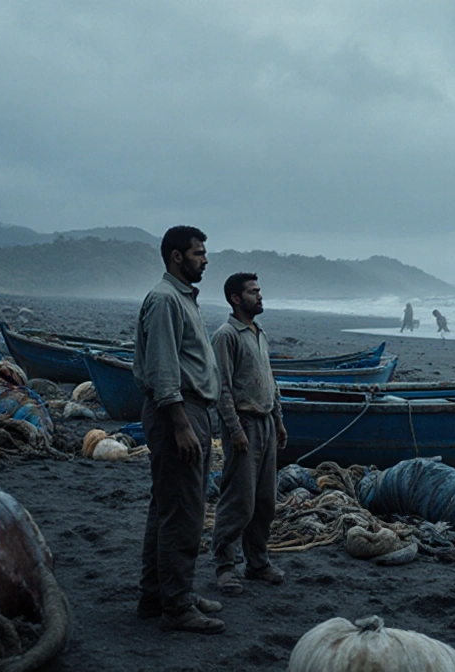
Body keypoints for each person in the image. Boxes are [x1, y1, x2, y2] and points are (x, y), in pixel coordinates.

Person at [133, 226, 225, 634]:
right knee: (184, 513)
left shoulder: (181, 298)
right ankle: (177, 605)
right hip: (178, 410)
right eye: (198, 253)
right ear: (176, 257)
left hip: (189, 409)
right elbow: (163, 368)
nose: (205, 260)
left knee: (167, 505)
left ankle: (158, 595)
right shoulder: (166, 299)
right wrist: (181, 423)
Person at [210, 272, 289, 597]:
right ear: (235, 298)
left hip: (266, 423)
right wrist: (234, 429)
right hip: (243, 423)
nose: (260, 296)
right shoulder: (226, 335)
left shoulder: (259, 333)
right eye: (253, 292)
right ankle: (225, 566)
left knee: (265, 500)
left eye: (259, 291)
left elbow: (270, 381)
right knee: (239, 499)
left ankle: (257, 562)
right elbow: (222, 388)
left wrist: (279, 420)